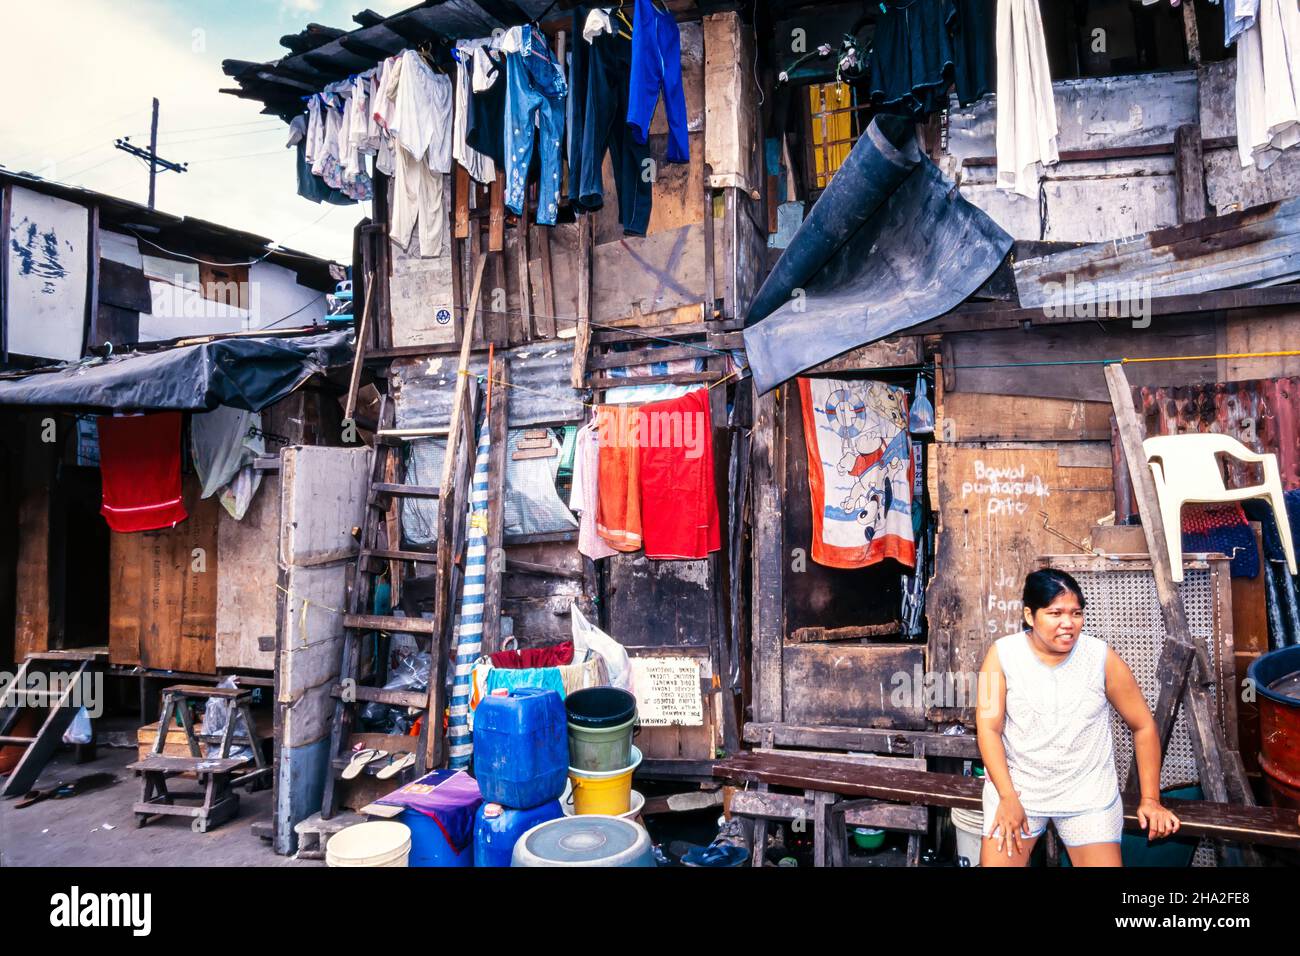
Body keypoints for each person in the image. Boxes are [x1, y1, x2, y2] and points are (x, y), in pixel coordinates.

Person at [975, 568, 1181, 866]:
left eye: (1076, 613)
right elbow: (988, 730)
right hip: (1018, 790)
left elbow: (1143, 725)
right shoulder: (1002, 656)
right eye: (1055, 613)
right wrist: (1007, 797)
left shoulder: (1100, 658)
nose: (1068, 624)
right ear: (1030, 616)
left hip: (1087, 794)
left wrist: (1150, 799)